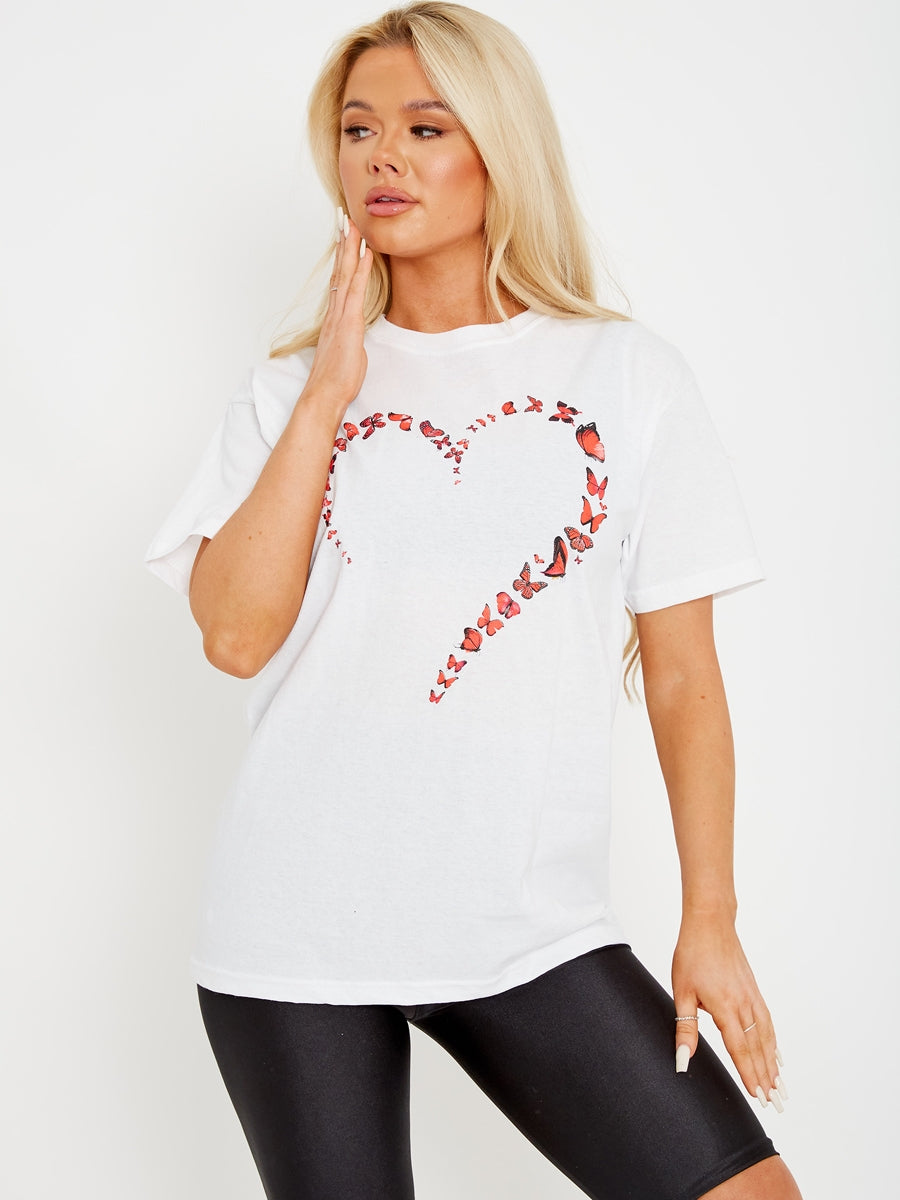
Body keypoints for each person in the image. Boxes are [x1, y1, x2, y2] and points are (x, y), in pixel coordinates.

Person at [145, 4, 802, 1197]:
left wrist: (710, 914)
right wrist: (331, 390)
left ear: (500, 149)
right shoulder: (287, 393)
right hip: (294, 932)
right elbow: (233, 636)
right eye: (357, 129)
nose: (381, 157)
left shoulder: (626, 377)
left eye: (425, 126)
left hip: (527, 930)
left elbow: (683, 677)